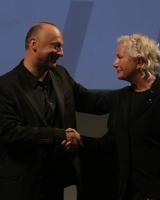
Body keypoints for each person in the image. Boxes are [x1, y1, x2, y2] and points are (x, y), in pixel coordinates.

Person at [64, 34, 160, 200]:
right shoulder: (121, 98)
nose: (114, 63)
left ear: (139, 62)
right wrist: (80, 140)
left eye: (119, 57)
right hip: (128, 193)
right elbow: (110, 143)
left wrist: (156, 195)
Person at [0, 22, 113, 200]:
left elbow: (92, 102)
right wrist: (59, 135)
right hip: (22, 187)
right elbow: (10, 132)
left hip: (56, 184)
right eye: (56, 46)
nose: (61, 53)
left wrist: (133, 94)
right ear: (34, 44)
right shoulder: (5, 87)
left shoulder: (61, 75)